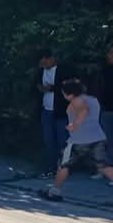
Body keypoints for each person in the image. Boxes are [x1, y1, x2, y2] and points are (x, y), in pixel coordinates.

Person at [43, 78, 113, 201]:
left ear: (69, 93)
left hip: (78, 140)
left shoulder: (77, 100)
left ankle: (55, 191)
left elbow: (84, 110)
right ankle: (54, 190)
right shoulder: (93, 99)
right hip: (98, 137)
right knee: (104, 166)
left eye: (64, 92)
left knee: (65, 165)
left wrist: (75, 124)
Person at [36, 49, 73, 177]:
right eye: (42, 63)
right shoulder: (41, 71)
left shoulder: (63, 70)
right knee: (48, 140)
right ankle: (51, 168)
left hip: (61, 111)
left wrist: (51, 88)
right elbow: (35, 84)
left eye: (45, 62)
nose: (44, 65)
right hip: (46, 110)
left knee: (63, 141)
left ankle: (64, 168)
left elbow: (67, 87)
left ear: (52, 59)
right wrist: (39, 88)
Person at [101, 44, 113, 144]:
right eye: (108, 53)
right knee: (108, 142)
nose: (108, 55)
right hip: (106, 109)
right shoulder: (106, 69)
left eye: (111, 53)